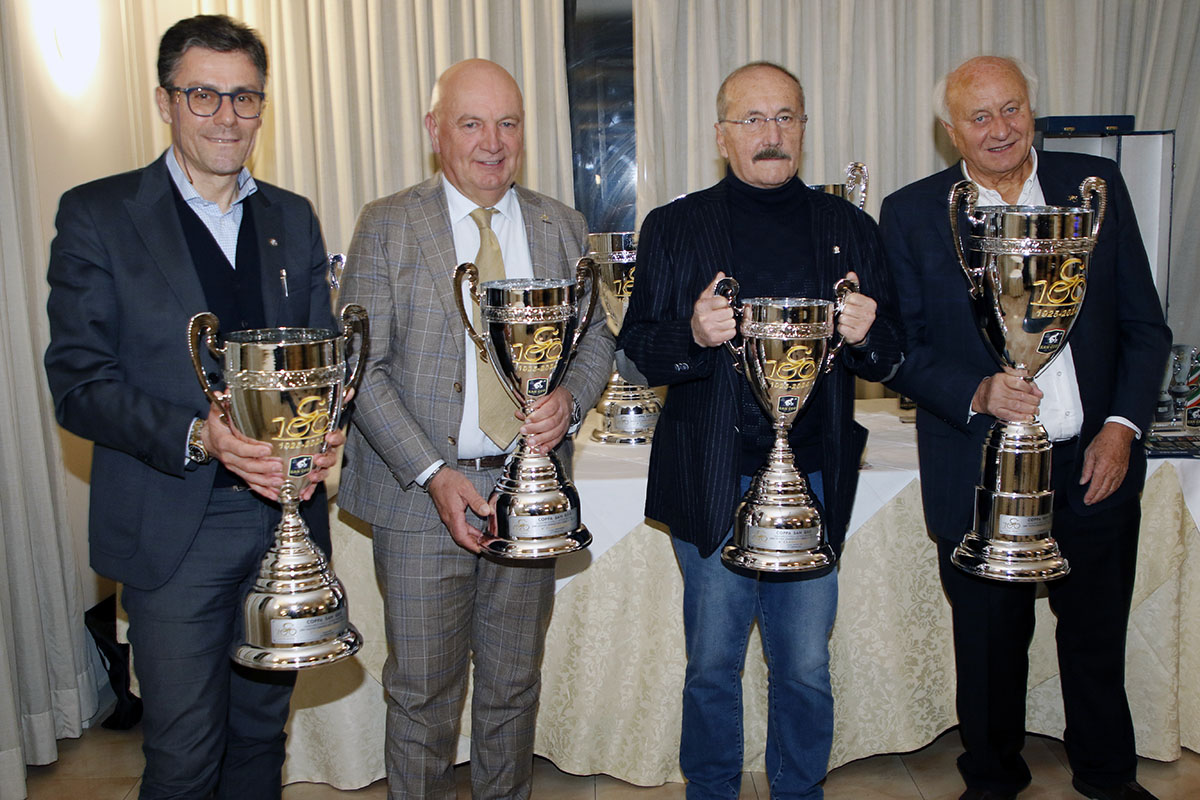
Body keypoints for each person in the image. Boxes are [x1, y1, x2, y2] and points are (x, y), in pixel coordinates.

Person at [43, 14, 342, 799]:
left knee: (258, 743)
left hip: (285, 519)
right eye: (203, 94)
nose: (227, 116)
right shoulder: (97, 216)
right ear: (165, 101)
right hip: (174, 529)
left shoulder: (292, 217)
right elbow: (79, 382)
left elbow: (322, 362)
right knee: (183, 755)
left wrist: (329, 428)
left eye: (245, 98)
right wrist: (199, 437)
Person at [881, 56, 1171, 800]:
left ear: (1031, 110)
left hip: (1092, 463)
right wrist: (976, 389)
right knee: (987, 647)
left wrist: (1122, 427)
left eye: (1011, 109)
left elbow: (1144, 326)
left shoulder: (1092, 189)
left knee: (1095, 640)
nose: (1000, 128)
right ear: (952, 133)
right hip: (977, 469)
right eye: (980, 117)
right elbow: (898, 349)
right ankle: (992, 781)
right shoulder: (913, 213)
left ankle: (1108, 779)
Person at [618, 62, 903, 800]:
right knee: (712, 663)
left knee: (805, 665)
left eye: (786, 117)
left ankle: (798, 791)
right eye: (752, 120)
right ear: (721, 135)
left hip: (813, 480)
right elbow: (637, 347)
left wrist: (871, 336)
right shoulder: (674, 228)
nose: (771, 135)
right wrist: (691, 332)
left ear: (804, 127)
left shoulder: (850, 229)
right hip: (714, 477)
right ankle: (711, 792)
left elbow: (893, 348)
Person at [336, 59, 613, 799]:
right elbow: (362, 365)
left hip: (531, 495)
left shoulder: (561, 223)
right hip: (422, 495)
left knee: (512, 689)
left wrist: (572, 403)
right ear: (436, 131)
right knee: (422, 697)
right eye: (472, 123)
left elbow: (595, 342)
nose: (493, 142)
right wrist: (433, 473)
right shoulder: (388, 223)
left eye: (509, 123)